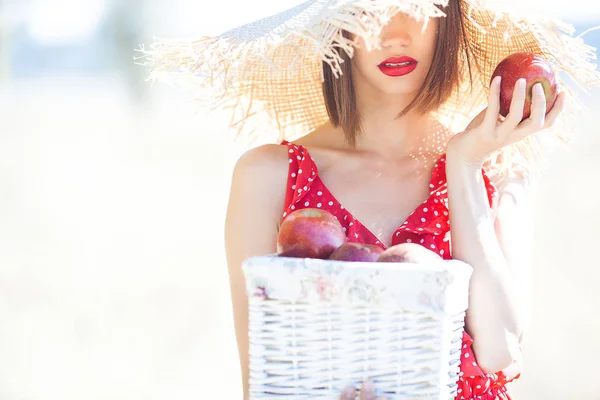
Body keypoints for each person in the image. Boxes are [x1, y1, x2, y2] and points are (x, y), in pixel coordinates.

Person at [142, 1, 600, 398]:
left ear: (449, 19)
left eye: (418, 6)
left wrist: (462, 164)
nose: (395, 31)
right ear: (335, 24)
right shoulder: (270, 176)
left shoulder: (497, 174)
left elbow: (500, 349)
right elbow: (262, 382)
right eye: (369, 6)